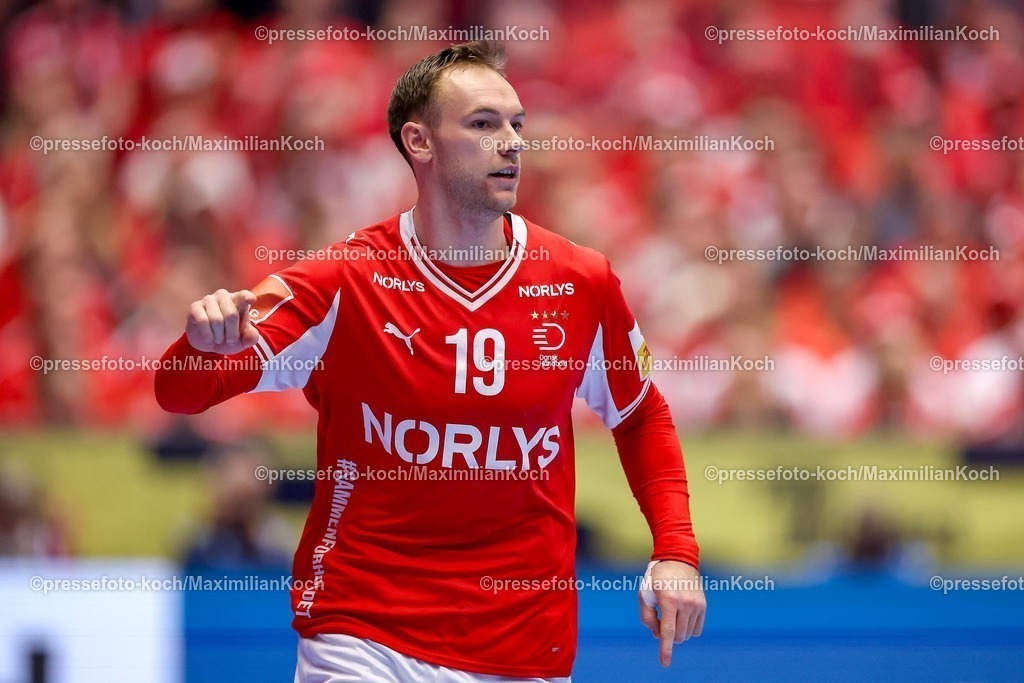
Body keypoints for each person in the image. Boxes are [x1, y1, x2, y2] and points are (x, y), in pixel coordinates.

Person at [155, 40, 704, 683]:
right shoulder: (344, 280)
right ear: (419, 141)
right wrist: (201, 346)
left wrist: (676, 552)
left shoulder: (580, 281)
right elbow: (180, 393)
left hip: (522, 641)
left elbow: (640, 414)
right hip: (363, 630)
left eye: (517, 124)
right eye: (483, 124)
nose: (511, 143)